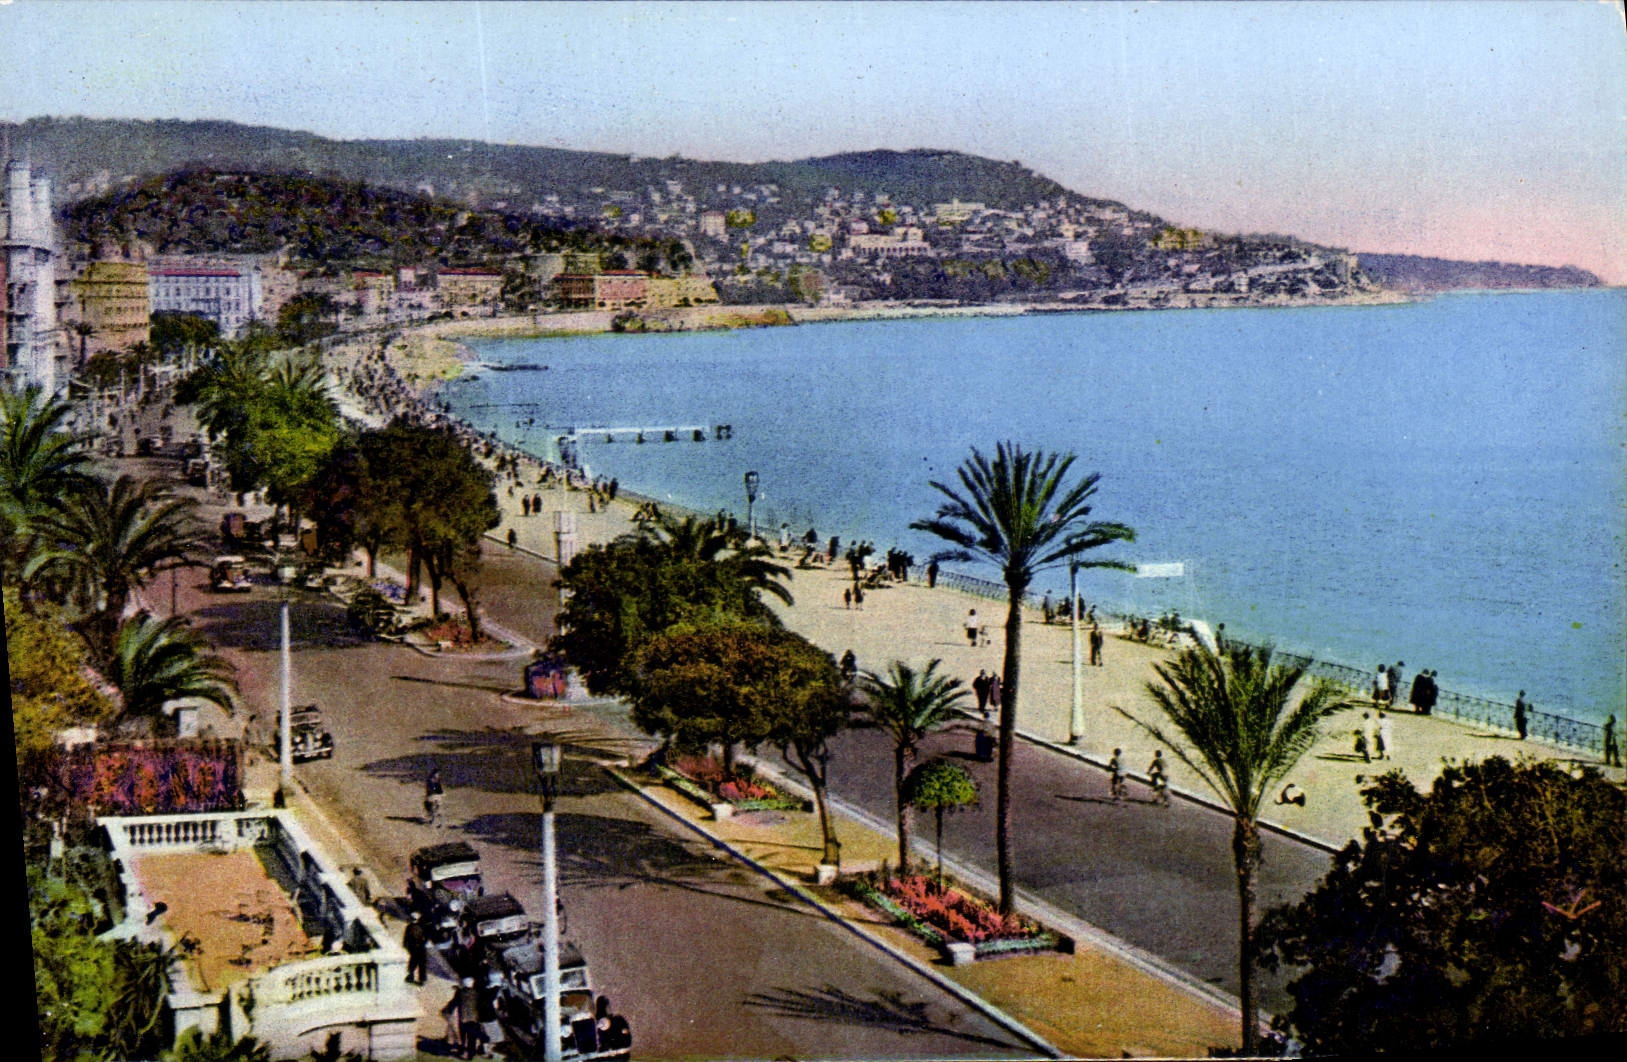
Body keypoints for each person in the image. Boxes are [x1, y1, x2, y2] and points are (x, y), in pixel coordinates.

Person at [404, 911, 429, 985]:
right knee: (422, 964)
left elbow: (406, 938)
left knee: (412, 963)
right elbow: (426, 937)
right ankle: (422, 980)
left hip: (414, 948)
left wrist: (407, 947)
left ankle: (411, 976)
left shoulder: (409, 927)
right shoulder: (423, 926)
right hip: (421, 948)